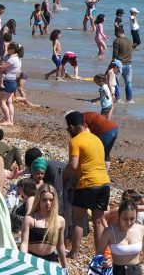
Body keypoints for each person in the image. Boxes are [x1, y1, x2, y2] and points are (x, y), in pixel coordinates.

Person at [64, 110, 111, 260]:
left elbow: (73, 165)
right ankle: (100, 255)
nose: (67, 131)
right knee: (98, 221)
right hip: (104, 183)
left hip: (87, 183)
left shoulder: (75, 141)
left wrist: (64, 178)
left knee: (78, 219)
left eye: (68, 128)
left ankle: (74, 252)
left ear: (72, 127)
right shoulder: (96, 139)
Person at [95, 198, 143, 275]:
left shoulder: (141, 229)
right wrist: (104, 261)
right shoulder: (109, 232)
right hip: (117, 271)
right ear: (119, 216)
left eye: (132, 218)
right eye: (125, 219)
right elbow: (99, 253)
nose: (129, 222)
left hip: (136, 271)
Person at [0, 42, 24, 126]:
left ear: (13, 50)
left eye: (9, 49)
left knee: (2, 102)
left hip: (7, 82)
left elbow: (1, 68)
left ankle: (8, 120)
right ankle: (11, 121)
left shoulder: (12, 59)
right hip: (13, 81)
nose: (7, 50)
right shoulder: (18, 58)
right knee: (9, 102)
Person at [112, 27, 134, 103]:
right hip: (128, 64)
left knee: (115, 82)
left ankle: (118, 99)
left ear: (118, 33)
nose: (114, 34)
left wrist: (111, 66)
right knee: (128, 83)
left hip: (119, 65)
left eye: (115, 32)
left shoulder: (116, 41)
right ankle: (129, 99)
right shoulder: (129, 41)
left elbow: (114, 55)